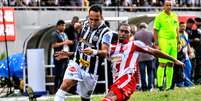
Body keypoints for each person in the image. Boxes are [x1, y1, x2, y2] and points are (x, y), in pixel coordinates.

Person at [103, 23, 184, 101]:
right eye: (121, 31)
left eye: (126, 32)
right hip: (117, 81)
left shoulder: (135, 44)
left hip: (128, 79)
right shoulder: (112, 48)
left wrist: (174, 60)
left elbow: (154, 51)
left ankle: (151, 87)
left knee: (109, 97)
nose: (123, 33)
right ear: (118, 32)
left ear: (131, 34)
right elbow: (103, 54)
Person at [54, 5, 112, 101]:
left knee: (85, 98)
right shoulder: (84, 24)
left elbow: (105, 52)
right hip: (77, 63)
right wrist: (69, 54)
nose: (93, 22)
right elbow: (81, 45)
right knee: (65, 85)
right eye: (91, 19)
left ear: (101, 17)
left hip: (91, 71)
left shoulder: (106, 32)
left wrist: (94, 51)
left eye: (96, 20)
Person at [153, 0, 179, 90]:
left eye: (170, 5)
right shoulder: (159, 17)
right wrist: (156, 43)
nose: (169, 7)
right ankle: (160, 85)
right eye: (167, 5)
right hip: (163, 41)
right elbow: (155, 30)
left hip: (173, 42)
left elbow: (177, 30)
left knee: (171, 63)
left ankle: (169, 86)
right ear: (163, 6)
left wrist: (178, 42)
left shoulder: (175, 16)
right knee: (162, 64)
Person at [51, 20, 73, 91]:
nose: (64, 27)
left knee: (64, 74)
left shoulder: (64, 34)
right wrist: (64, 42)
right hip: (59, 56)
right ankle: (56, 89)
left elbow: (66, 42)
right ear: (58, 26)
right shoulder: (55, 34)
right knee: (58, 73)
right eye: (62, 25)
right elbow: (54, 45)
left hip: (65, 55)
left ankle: (63, 89)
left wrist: (69, 42)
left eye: (64, 25)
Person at [134, 22, 155, 91]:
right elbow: (154, 42)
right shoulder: (150, 33)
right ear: (146, 27)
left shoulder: (136, 34)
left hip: (140, 57)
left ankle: (144, 87)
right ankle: (150, 87)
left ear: (140, 27)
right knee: (150, 72)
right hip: (150, 56)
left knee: (142, 73)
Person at [176, 22, 193, 87]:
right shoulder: (176, 34)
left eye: (184, 26)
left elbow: (188, 43)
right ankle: (180, 83)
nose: (183, 28)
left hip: (186, 55)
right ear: (179, 27)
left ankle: (187, 84)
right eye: (182, 26)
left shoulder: (186, 33)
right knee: (180, 70)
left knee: (189, 67)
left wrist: (190, 51)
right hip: (179, 55)